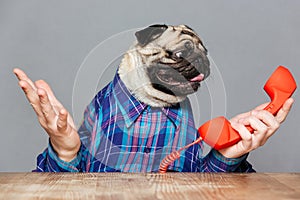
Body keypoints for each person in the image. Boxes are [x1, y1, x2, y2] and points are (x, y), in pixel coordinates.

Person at [13, 68, 294, 172]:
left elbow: (200, 188)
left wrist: (227, 156)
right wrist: (64, 150)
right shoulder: (104, 110)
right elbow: (49, 190)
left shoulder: (182, 118)